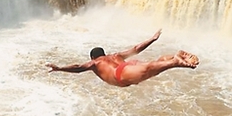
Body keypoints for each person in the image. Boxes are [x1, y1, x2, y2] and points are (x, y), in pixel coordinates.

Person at [46, 29, 199, 87]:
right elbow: (136, 49)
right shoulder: (116, 55)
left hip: (121, 74)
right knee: (154, 66)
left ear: (93, 56)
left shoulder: (96, 62)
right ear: (104, 52)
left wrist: (59, 68)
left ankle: (175, 61)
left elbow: (78, 68)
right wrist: (152, 39)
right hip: (128, 65)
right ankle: (172, 57)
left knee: (149, 69)